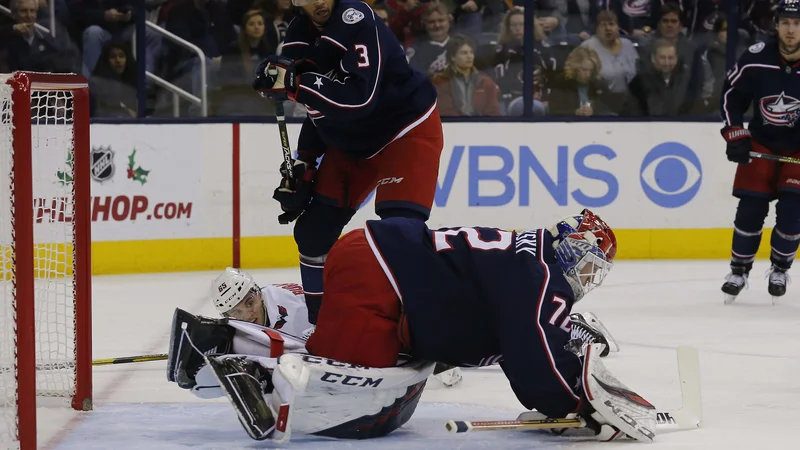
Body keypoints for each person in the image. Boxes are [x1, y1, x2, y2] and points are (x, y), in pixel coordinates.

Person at [166, 210, 637, 443]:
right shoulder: (540, 276)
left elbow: (519, 343)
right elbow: (531, 345)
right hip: (378, 274)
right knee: (364, 406)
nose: (590, 277)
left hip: (374, 261)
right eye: (594, 265)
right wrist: (574, 403)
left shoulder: (528, 261)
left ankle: (251, 355)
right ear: (577, 250)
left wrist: (553, 399)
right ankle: (222, 347)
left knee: (377, 385)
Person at [251, 0, 444, 326]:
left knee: (400, 233)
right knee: (312, 235)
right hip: (353, 143)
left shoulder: (357, 20)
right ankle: (323, 328)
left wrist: (296, 84)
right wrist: (305, 164)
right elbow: (318, 110)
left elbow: (359, 99)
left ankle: (426, 328)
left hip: (405, 130)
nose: (319, 1)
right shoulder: (298, 35)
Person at [719, 0, 800, 303]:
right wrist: (734, 133)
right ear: (776, 25)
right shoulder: (755, 58)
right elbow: (730, 94)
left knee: (793, 214)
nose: (791, 29)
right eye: (786, 23)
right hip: (762, 145)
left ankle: (780, 268)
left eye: (797, 23)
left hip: (798, 151)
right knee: (750, 211)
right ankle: (738, 271)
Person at [209, 267, 314, 339]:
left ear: (260, 294)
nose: (247, 316)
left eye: (249, 303)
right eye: (236, 312)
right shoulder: (230, 332)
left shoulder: (294, 311)